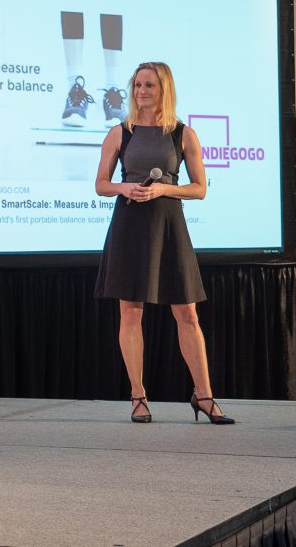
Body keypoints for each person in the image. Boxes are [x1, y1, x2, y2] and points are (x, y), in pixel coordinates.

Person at [94, 62, 233, 425]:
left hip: (169, 227)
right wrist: (124, 187)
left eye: (149, 85)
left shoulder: (183, 134)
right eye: (137, 84)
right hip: (129, 227)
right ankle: (138, 397)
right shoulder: (120, 133)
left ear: (164, 89)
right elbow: (101, 184)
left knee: (187, 314)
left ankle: (204, 396)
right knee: (130, 312)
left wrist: (163, 190)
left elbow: (199, 189)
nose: (141, 91)